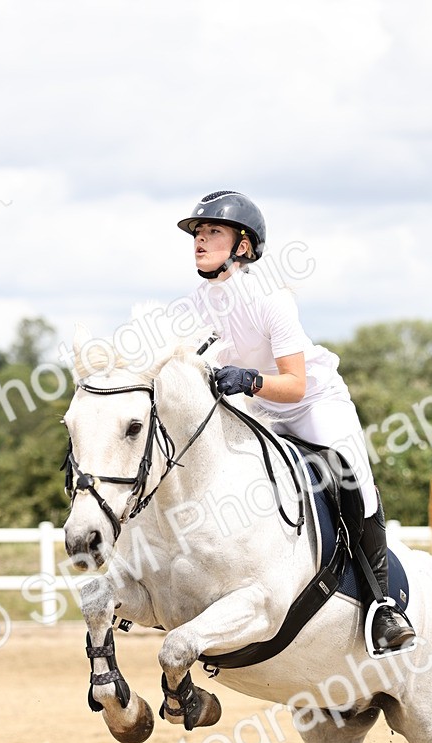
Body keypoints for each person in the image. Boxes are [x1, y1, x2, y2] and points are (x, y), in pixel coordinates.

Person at [176, 188, 415, 653]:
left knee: (350, 474)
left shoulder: (271, 298)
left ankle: (382, 606)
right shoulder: (193, 305)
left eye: (212, 232)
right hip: (257, 406)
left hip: (311, 404)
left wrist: (247, 379)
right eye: (198, 233)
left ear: (242, 246)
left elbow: (295, 384)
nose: (200, 241)